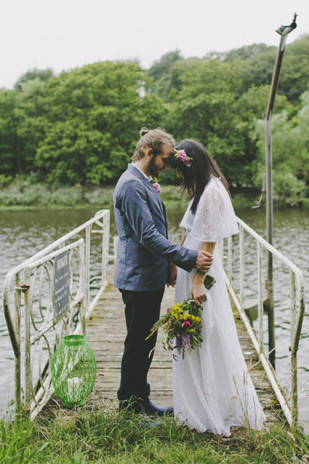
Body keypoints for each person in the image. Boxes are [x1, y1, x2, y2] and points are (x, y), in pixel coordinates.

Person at [113, 128, 213, 420]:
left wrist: (168, 265)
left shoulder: (143, 181)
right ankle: (130, 407)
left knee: (145, 340)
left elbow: (155, 232)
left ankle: (140, 400)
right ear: (148, 153)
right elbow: (148, 237)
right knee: (138, 342)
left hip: (149, 275)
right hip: (138, 278)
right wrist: (189, 259)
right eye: (166, 158)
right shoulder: (131, 186)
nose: (169, 164)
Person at [170, 139, 265, 436]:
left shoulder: (212, 192)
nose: (177, 176)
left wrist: (198, 281)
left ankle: (211, 406)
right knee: (195, 336)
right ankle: (199, 401)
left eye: (179, 170)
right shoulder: (203, 190)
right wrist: (176, 262)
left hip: (202, 271)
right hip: (190, 266)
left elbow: (209, 242)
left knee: (206, 335)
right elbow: (189, 233)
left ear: (192, 163)